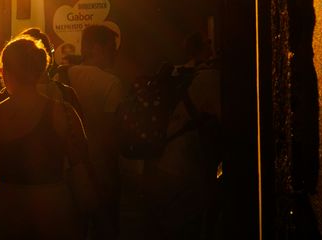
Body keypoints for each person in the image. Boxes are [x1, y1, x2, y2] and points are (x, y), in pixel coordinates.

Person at [0, 36, 97, 239]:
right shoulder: (64, 113)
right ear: (39, 70)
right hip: (53, 207)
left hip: (6, 209)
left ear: (6, 72)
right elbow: (82, 168)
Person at [140, 31, 221, 240]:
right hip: (185, 169)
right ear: (204, 48)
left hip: (159, 162)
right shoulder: (210, 78)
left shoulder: (179, 74)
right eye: (208, 42)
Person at [59, 23, 126, 239]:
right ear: (97, 48)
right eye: (111, 48)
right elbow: (112, 132)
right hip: (101, 168)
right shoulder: (111, 83)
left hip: (67, 167)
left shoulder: (63, 77)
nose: (114, 54)